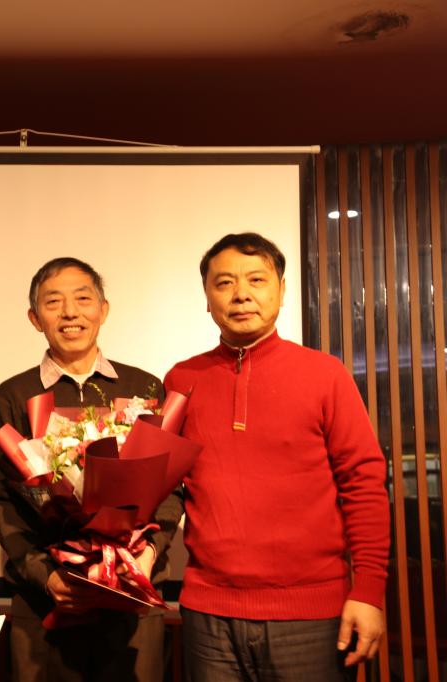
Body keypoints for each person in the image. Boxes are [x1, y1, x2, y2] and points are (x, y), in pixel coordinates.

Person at [163, 233, 390, 681]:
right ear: (206, 297)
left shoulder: (325, 374)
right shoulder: (182, 378)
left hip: (312, 616)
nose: (241, 294)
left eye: (257, 280)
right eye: (224, 282)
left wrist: (368, 591)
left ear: (282, 290)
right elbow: (165, 483)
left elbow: (363, 484)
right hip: (208, 614)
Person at [0, 257, 180, 682]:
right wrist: (46, 576)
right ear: (35, 318)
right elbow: (2, 501)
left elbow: (170, 488)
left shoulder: (144, 388)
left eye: (82, 299)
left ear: (103, 310)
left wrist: (146, 556)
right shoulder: (13, 396)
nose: (70, 312)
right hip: (47, 604)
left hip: (131, 599)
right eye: (53, 302)